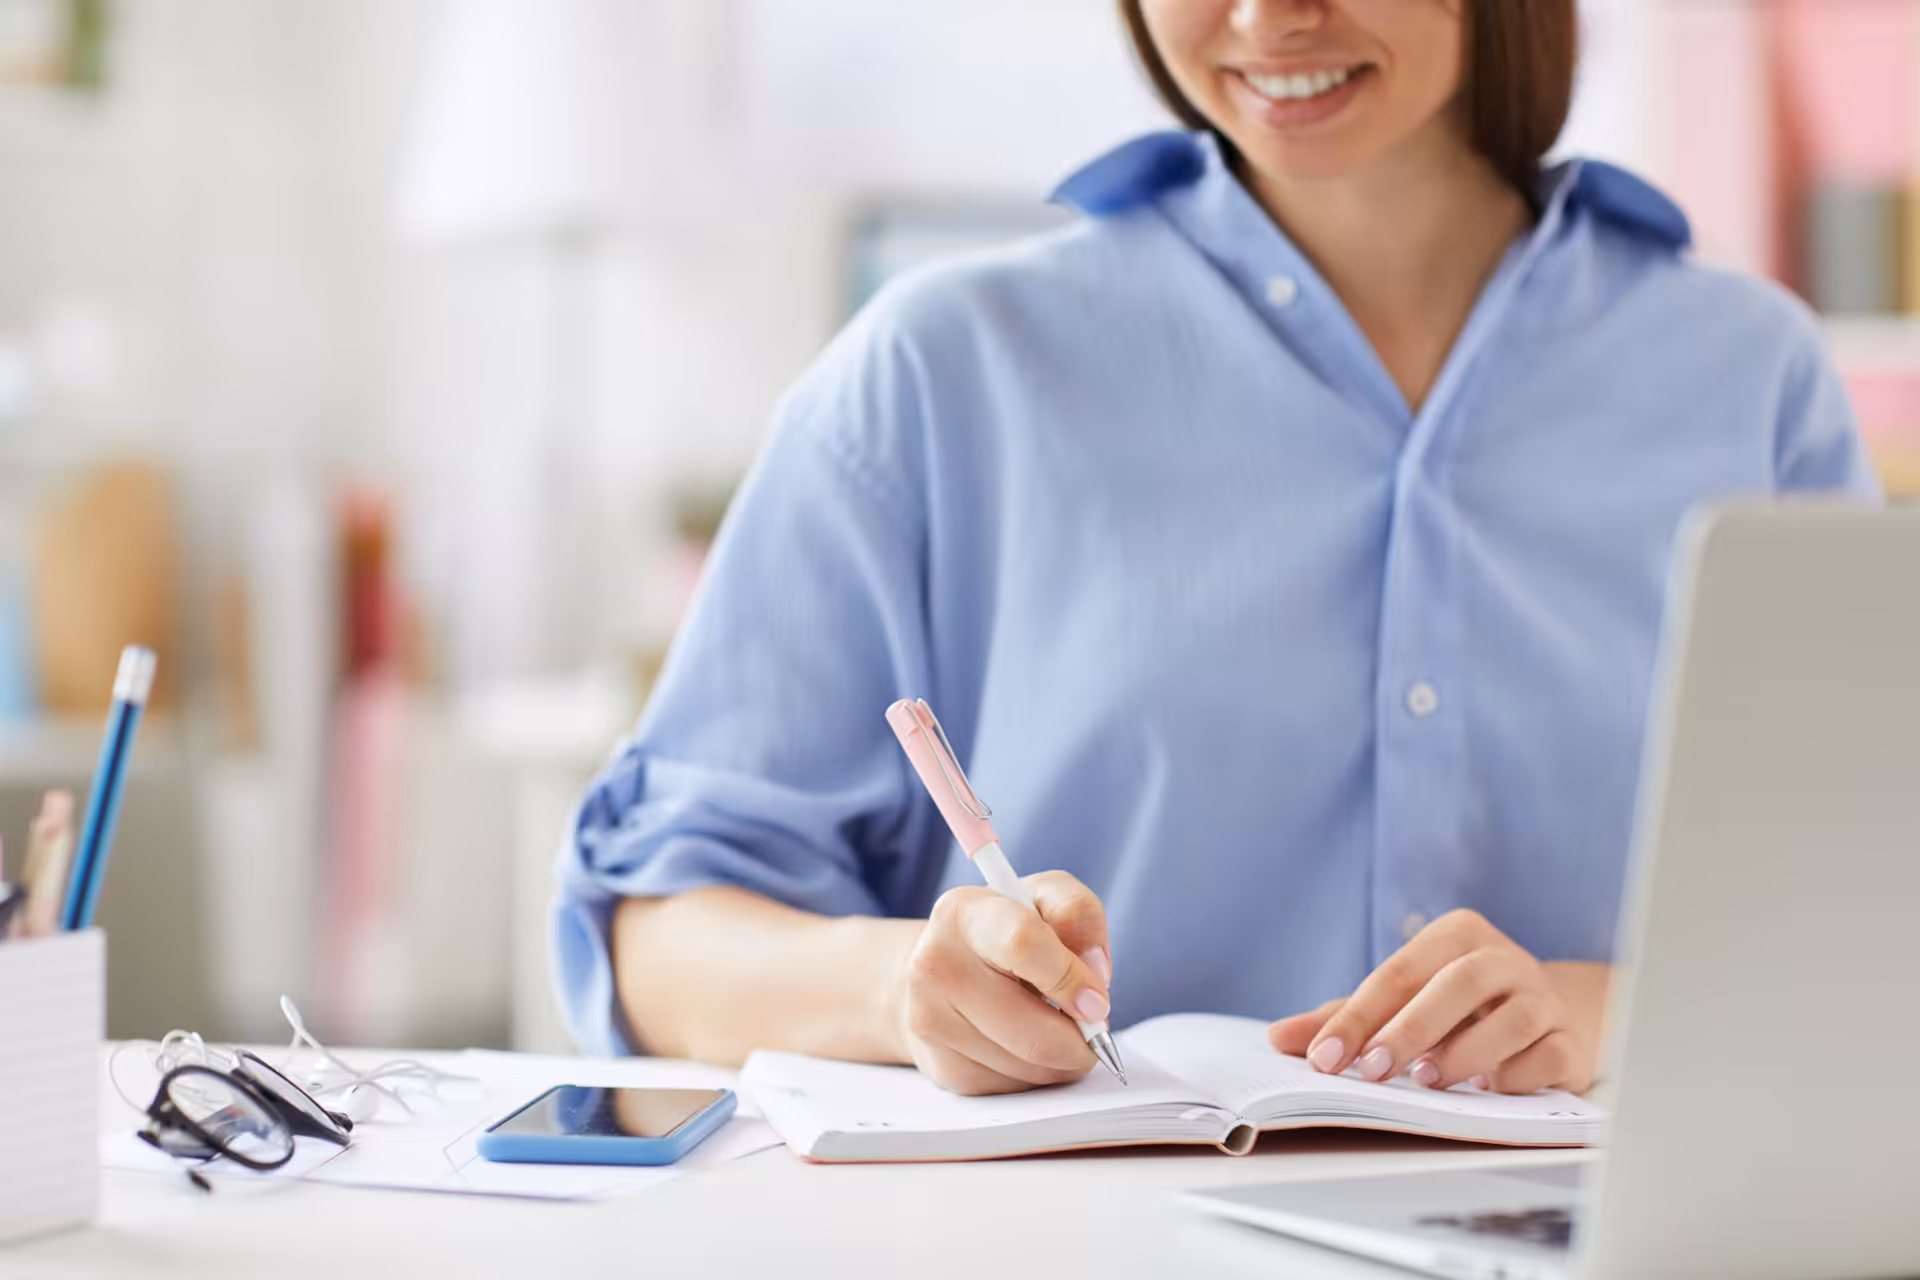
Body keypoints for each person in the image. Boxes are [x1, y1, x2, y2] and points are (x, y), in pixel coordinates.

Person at [554, 0, 1879, 1097]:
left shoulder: (1747, 380)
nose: (1264, 17)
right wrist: (903, 987)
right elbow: (656, 945)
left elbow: (1868, 933)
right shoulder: (944, 371)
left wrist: (1615, 1011)